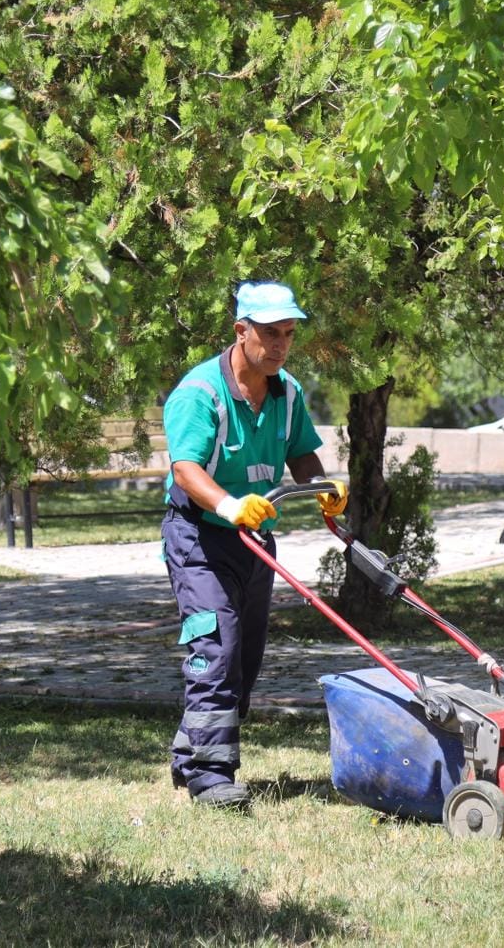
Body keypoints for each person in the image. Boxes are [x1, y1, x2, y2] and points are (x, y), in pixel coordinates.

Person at [161, 281, 347, 809]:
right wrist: (228, 506)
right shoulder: (200, 393)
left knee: (243, 659)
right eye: (271, 333)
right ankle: (211, 776)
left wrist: (324, 487)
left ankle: (191, 749)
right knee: (215, 646)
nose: (282, 345)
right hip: (199, 537)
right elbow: (185, 468)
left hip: (255, 541)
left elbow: (301, 453)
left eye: (289, 334)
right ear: (241, 331)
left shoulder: (285, 391)